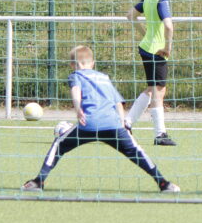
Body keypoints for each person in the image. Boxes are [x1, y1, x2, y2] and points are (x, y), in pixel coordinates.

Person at [21, 44, 179, 193]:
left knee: (59, 144)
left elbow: (76, 91)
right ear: (93, 63)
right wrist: (123, 124)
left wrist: (78, 109)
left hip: (88, 124)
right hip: (113, 125)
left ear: (72, 65)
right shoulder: (104, 77)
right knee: (136, 152)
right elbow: (118, 103)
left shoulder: (76, 75)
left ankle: (38, 181)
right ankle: (163, 183)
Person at [125, 0, 176, 145]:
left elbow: (130, 15)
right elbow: (169, 26)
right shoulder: (162, 0)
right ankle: (159, 134)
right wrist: (168, 48)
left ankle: (126, 123)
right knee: (158, 91)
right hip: (157, 51)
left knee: (151, 88)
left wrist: (144, 33)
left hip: (146, 48)